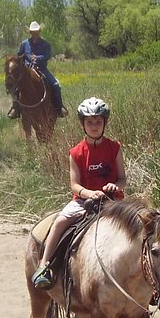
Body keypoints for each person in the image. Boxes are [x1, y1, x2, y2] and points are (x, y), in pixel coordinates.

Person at [31, 97, 125, 289]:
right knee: (59, 222)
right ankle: (44, 266)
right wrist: (89, 193)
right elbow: (74, 185)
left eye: (98, 122)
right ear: (82, 124)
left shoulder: (115, 148)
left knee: (140, 225)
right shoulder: (76, 152)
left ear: (104, 123)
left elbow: (122, 179)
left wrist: (115, 186)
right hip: (84, 201)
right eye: (89, 122)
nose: (94, 126)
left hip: (113, 202)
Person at [10, 20, 65, 119]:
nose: (35, 33)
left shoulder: (45, 44)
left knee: (56, 85)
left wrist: (38, 58)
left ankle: (59, 108)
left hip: (42, 69)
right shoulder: (24, 44)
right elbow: (19, 56)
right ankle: (16, 108)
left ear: (39, 32)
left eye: (36, 31)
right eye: (33, 31)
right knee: (15, 87)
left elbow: (47, 55)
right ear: (30, 32)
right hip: (26, 71)